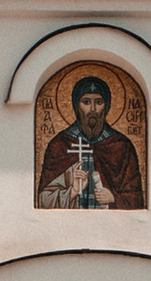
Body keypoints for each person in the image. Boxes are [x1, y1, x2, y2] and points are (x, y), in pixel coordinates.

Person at [36, 72, 143, 209]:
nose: (93, 109)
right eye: (86, 102)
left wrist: (113, 198)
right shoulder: (60, 144)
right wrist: (72, 191)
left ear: (107, 106)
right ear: (76, 106)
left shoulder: (121, 146)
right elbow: (42, 201)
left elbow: (136, 198)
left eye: (98, 102)